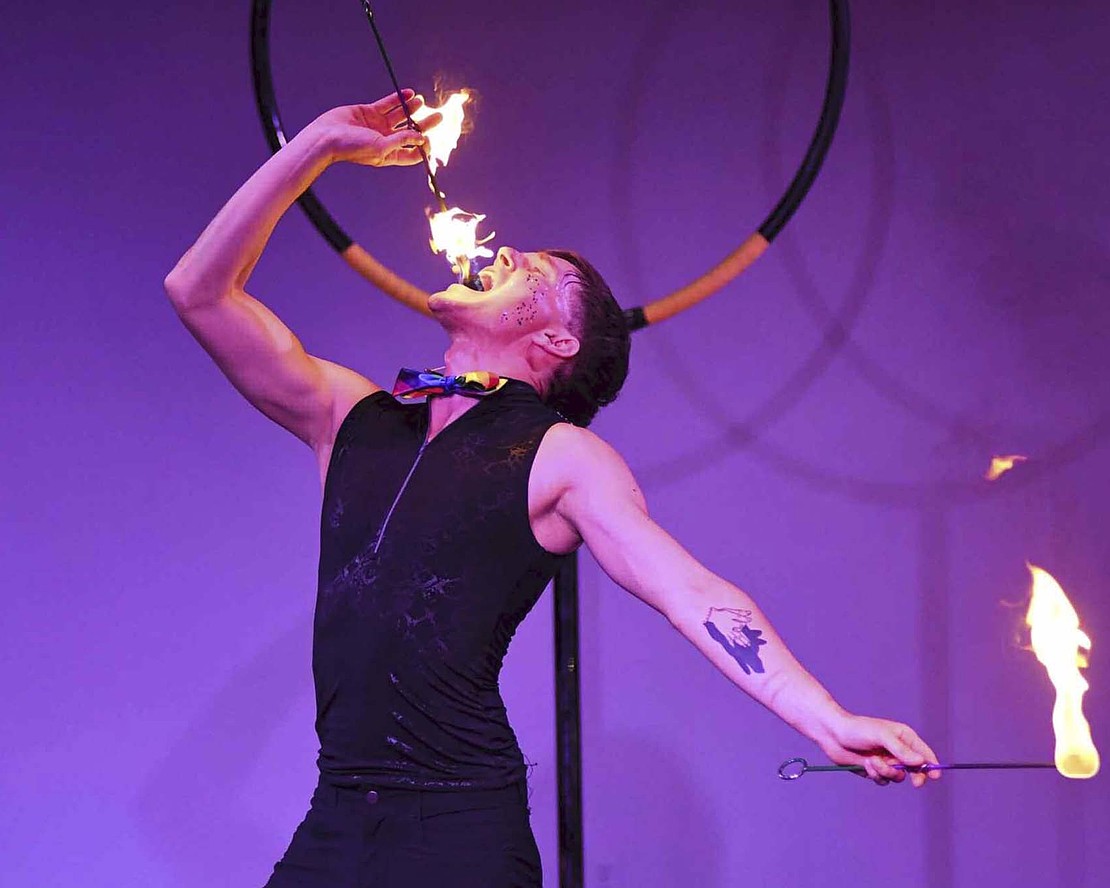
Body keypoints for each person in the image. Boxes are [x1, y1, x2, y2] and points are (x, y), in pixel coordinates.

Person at [165, 90, 939, 888]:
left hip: (459, 833)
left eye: (530, 267)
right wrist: (318, 149)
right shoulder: (350, 415)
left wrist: (827, 719)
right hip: (335, 823)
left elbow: (689, 591)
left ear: (557, 341)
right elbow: (198, 291)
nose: (497, 254)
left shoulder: (562, 457)